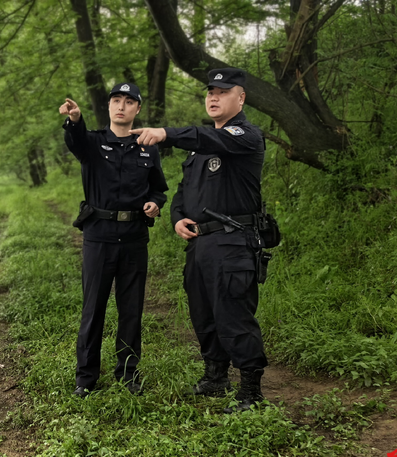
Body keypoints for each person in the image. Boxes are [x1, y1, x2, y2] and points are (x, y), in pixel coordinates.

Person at [131, 68, 268, 413]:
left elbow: (205, 138)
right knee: (203, 313)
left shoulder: (244, 135)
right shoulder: (199, 149)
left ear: (241, 98)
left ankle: (251, 391)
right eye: (210, 92)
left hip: (233, 242)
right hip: (200, 244)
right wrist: (177, 217)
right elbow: (183, 192)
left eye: (222, 92)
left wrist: (166, 133)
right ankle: (215, 376)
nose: (213, 97)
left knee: (233, 315)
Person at [59, 82, 168, 397]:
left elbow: (158, 187)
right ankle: (86, 379)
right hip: (99, 237)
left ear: (137, 108)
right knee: (93, 309)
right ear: (108, 107)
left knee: (131, 309)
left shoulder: (148, 147)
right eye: (116, 100)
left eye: (129, 101)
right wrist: (75, 119)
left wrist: (155, 203)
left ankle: (128, 375)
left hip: (134, 238)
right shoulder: (92, 143)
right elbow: (74, 139)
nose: (121, 106)